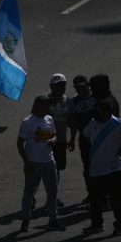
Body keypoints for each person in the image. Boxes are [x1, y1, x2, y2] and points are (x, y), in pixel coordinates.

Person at [81, 99, 121, 235]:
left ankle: (119, 225)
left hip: (113, 169)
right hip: (95, 169)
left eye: (99, 112)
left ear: (107, 112)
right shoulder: (94, 122)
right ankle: (96, 224)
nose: (96, 114)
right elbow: (85, 134)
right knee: (95, 200)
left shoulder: (117, 124)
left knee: (116, 199)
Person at [17, 96, 63, 232]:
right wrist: (26, 162)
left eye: (48, 105)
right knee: (29, 192)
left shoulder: (49, 119)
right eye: (45, 105)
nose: (47, 108)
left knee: (52, 191)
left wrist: (53, 140)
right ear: (37, 106)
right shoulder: (27, 122)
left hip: (49, 161)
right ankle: (25, 220)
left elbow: (54, 135)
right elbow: (20, 143)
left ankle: (53, 220)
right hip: (33, 163)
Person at [43, 74, 73, 204]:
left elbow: (73, 120)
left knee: (57, 170)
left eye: (63, 85)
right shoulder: (44, 100)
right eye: (58, 85)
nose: (61, 88)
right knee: (45, 170)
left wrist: (72, 138)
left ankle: (52, 196)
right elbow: (37, 122)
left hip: (61, 142)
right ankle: (49, 197)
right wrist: (49, 139)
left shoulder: (69, 101)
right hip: (46, 143)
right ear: (51, 86)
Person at [68, 75, 95, 203]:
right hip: (84, 139)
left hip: (99, 137)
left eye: (83, 87)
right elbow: (73, 122)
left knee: (101, 165)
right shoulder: (74, 101)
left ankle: (104, 194)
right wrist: (72, 139)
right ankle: (92, 192)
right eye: (78, 88)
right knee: (88, 167)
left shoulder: (96, 98)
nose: (81, 90)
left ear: (88, 85)